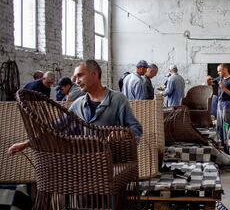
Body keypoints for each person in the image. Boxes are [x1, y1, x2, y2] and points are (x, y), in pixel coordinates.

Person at [8, 60, 143, 154]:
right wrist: (26, 144)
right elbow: (55, 129)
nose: (76, 81)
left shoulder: (117, 99)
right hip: (84, 163)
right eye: (75, 77)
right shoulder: (78, 105)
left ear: (94, 74)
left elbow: (136, 129)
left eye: (80, 75)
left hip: (112, 161)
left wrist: (124, 135)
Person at [215, 64, 230, 152]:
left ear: (225, 69)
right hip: (219, 104)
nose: (218, 72)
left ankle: (229, 147)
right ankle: (222, 146)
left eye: (219, 70)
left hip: (227, 104)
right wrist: (208, 80)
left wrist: (224, 88)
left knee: (226, 125)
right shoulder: (220, 78)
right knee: (219, 125)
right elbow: (210, 81)